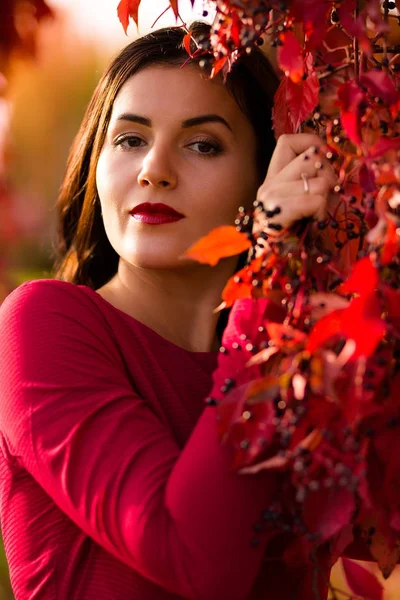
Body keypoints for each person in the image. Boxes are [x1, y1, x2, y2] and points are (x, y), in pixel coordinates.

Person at [0, 21, 339, 600]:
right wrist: (268, 260)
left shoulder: (309, 359)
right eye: (130, 139)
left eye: (202, 144)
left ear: (267, 177)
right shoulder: (42, 324)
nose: (154, 169)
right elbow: (195, 560)